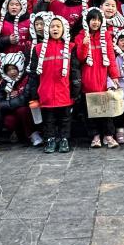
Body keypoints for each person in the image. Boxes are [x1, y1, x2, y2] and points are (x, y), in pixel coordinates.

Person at [28, 13, 80, 154]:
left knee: (65, 119)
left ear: (64, 29)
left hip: (65, 91)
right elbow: (33, 74)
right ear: (47, 29)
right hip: (46, 92)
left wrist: (75, 90)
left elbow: (75, 71)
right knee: (48, 119)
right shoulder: (38, 48)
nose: (55, 29)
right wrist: (34, 94)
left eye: (58, 26)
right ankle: (50, 139)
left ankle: (64, 139)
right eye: (52, 26)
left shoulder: (71, 47)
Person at [76, 8, 121, 148]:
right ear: (87, 21)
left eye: (98, 20)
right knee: (90, 110)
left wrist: (114, 75)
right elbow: (80, 58)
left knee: (106, 110)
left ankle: (108, 135)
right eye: (92, 19)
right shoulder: (80, 36)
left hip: (103, 78)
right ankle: (95, 136)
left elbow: (111, 56)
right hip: (88, 78)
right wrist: (84, 44)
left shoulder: (106, 36)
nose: (95, 22)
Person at [0, 52, 41, 146]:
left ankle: (33, 134)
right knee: (8, 120)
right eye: (8, 70)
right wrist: (7, 95)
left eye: (14, 68)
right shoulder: (3, 83)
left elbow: (25, 98)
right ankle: (19, 134)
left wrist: (17, 95)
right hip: (11, 111)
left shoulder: (27, 78)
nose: (12, 72)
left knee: (22, 110)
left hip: (29, 110)